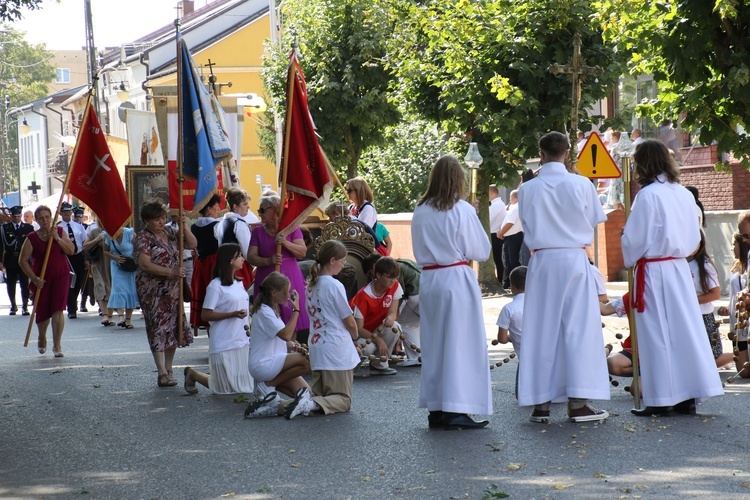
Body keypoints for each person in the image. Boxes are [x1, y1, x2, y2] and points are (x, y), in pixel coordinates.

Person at [621, 139, 723, 416]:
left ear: (643, 163)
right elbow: (694, 236)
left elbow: (636, 239)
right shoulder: (683, 193)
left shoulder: (648, 195)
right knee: (682, 331)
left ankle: (660, 398)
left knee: (656, 334)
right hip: (678, 268)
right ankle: (687, 395)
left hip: (654, 269)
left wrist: (626, 243)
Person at [517, 131, 610, 424]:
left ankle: (540, 404)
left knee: (541, 331)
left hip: (543, 260)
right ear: (567, 153)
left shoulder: (527, 189)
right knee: (578, 330)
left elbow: (525, 222)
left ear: (541, 154)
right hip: (573, 259)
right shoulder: (582, 184)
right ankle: (578, 402)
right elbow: (596, 219)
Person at [411, 154, 492, 430]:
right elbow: (480, 251)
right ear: (459, 180)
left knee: (435, 345)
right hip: (455, 279)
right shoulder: (462, 210)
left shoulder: (420, 210)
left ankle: (437, 408)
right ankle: (456, 408)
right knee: (459, 345)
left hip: (430, 279)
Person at [275, 240, 360, 419]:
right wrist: (355, 338)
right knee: (343, 400)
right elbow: (349, 320)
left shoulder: (311, 285)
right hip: (336, 346)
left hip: (317, 345)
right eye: (342, 261)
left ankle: (279, 406)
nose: (342, 265)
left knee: (321, 397)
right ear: (332, 260)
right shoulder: (334, 285)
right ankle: (304, 403)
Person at [134, 201, 197, 387]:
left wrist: (183, 226)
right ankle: (161, 371)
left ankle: (169, 368)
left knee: (173, 326)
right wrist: (172, 272)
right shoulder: (143, 238)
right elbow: (144, 264)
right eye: (156, 219)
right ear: (146, 221)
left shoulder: (170, 232)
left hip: (173, 289)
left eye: (163, 218)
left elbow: (192, 243)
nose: (161, 222)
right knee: (158, 327)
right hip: (152, 290)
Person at [184, 243, 255, 395]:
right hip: (224, 341)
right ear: (230, 260)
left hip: (241, 340)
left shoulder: (239, 283)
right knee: (223, 389)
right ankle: (193, 374)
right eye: (239, 256)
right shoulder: (215, 286)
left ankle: (194, 375)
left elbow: (241, 306)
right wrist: (232, 314)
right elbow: (206, 314)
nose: (243, 259)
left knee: (241, 388)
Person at [243, 271, 312, 416]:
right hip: (264, 364)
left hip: (272, 362)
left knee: (308, 394)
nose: (288, 296)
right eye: (285, 292)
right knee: (307, 361)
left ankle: (271, 401)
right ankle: (267, 385)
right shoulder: (265, 311)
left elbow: (275, 339)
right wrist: (297, 310)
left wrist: (290, 345)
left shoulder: (271, 309)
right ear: (274, 292)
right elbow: (286, 335)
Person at [247, 193, 310, 340]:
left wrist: (286, 243)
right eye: (259, 210)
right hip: (267, 278)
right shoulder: (258, 231)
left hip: (290, 277)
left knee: (290, 314)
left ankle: (291, 352)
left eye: (263, 210)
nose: (259, 214)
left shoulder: (292, 228)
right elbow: (251, 257)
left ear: (276, 209)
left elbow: (302, 251)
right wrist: (269, 260)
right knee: (269, 315)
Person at [18, 205, 75, 357]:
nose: (45, 220)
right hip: (41, 278)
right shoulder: (32, 237)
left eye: (47, 217)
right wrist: (34, 278)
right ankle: (42, 336)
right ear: (36, 220)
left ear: (51, 218)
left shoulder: (60, 232)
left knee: (58, 309)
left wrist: (56, 238)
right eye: (41, 218)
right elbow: (22, 261)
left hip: (60, 276)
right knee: (43, 312)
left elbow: (71, 250)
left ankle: (57, 345)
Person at [362, 253, 421, 366]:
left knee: (404, 324)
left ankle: (415, 357)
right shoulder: (399, 262)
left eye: (370, 273)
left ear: (375, 267)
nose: (372, 277)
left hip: (416, 295)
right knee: (414, 324)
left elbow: (398, 300)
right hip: (428, 290)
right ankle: (417, 356)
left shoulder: (391, 271)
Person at [687, 231, 734, 368]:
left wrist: (691, 301)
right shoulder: (677, 264)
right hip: (685, 315)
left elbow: (715, 294)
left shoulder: (705, 265)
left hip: (703, 316)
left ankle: (739, 355)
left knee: (711, 358)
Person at [350, 256, 403, 376]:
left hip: (377, 329)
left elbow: (393, 312)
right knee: (368, 348)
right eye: (389, 277)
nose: (393, 281)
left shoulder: (395, 285)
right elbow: (359, 329)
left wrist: (390, 317)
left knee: (395, 327)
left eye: (395, 277)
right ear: (378, 275)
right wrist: (378, 340)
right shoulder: (363, 296)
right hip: (362, 334)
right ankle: (352, 365)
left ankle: (379, 365)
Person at [718, 229, 750, 378]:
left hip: (747, 318)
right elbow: (732, 294)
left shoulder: (748, 268)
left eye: (733, 245)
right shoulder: (735, 268)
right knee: (744, 372)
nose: (732, 248)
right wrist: (727, 308)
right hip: (736, 321)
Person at [190, 194, 221, 333]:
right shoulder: (217, 226)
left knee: (204, 293)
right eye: (216, 207)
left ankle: (209, 330)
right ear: (209, 209)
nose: (218, 209)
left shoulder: (194, 227)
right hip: (214, 262)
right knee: (215, 296)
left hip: (200, 263)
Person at [215, 187, 256, 289]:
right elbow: (247, 251)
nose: (248, 207)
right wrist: (256, 266)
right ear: (235, 207)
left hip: (225, 267)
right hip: (239, 268)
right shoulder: (239, 224)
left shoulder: (221, 223)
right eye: (245, 204)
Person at [495, 266, 526, 400]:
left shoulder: (509, 309)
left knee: (522, 396)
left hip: (525, 358)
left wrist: (511, 337)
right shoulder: (542, 304)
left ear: (512, 286)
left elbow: (502, 339)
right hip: (548, 354)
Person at [0, 205, 34, 315]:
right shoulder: (5, 228)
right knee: (11, 283)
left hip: (24, 259)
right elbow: (1, 245)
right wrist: (0, 261)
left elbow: (32, 246)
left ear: (21, 215)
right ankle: (13, 305)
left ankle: (25, 306)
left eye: (18, 216)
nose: (16, 218)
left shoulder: (28, 228)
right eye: (14, 216)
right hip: (11, 259)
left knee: (24, 283)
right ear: (12, 216)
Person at [104, 226, 139, 329]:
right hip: (116, 265)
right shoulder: (108, 235)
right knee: (118, 289)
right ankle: (121, 317)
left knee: (130, 290)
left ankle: (128, 320)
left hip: (130, 265)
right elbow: (105, 251)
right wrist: (115, 257)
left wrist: (136, 260)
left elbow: (139, 247)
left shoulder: (129, 233)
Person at [57, 202, 87, 319]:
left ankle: (72, 302)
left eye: (68, 211)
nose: (66, 214)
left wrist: (87, 259)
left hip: (78, 256)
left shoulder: (78, 226)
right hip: (65, 257)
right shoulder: (59, 227)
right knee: (69, 283)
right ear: (61, 213)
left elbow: (84, 242)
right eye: (64, 212)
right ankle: (72, 309)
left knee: (78, 282)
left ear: (71, 212)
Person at [323, 202, 388, 255]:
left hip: (374, 254)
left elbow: (353, 245)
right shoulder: (349, 222)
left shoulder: (353, 225)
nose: (330, 220)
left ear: (337, 214)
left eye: (330, 217)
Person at [83, 214, 113, 325]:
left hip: (111, 263)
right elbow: (85, 246)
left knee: (110, 287)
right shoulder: (94, 232)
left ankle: (110, 315)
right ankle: (104, 315)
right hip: (98, 263)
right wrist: (97, 239)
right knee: (100, 286)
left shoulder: (114, 231)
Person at [497, 190, 523, 290]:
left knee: (513, 261)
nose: (509, 200)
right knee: (507, 261)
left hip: (514, 236)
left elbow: (510, 223)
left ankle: (515, 283)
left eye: (510, 198)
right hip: (510, 237)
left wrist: (501, 233)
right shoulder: (514, 207)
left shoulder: (516, 208)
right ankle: (508, 281)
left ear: (514, 198)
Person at [488, 185, 507, 287]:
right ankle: (500, 279)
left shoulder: (497, 205)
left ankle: (500, 280)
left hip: (495, 234)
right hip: (495, 233)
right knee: (497, 258)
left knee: (497, 258)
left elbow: (488, 220)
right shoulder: (497, 204)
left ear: (492, 193)